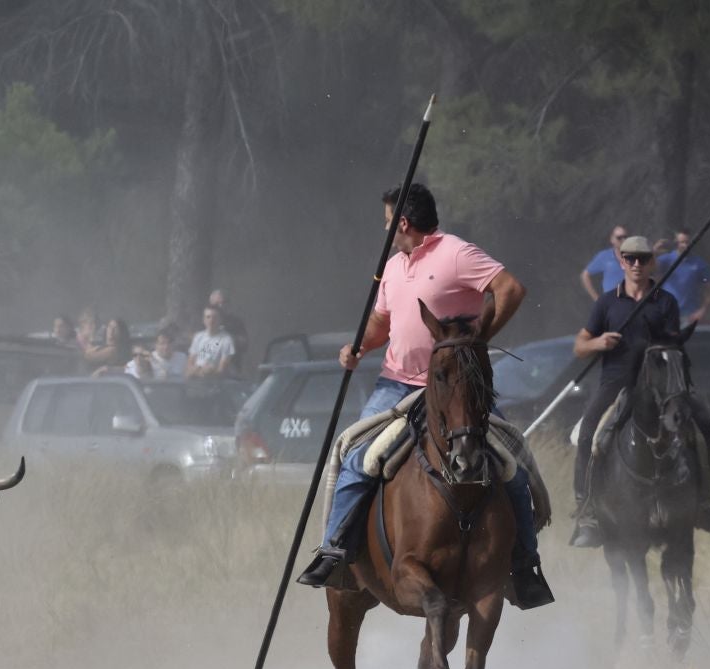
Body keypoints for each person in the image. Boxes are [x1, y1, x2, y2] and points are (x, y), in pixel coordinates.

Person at [298, 181, 551, 609]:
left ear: (404, 222)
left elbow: (510, 289)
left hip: (457, 391)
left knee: (514, 466)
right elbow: (381, 323)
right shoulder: (393, 266)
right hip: (397, 385)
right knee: (355, 459)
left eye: (387, 223)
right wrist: (358, 346)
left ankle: (524, 567)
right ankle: (336, 551)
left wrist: (475, 344)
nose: (385, 231)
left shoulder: (456, 253)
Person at [568, 235, 710, 547]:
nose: (637, 264)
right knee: (588, 432)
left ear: (652, 261)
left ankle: (706, 504)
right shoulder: (607, 302)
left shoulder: (664, 302)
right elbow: (579, 346)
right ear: (621, 261)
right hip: (615, 382)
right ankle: (587, 512)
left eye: (643, 258)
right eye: (630, 258)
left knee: (705, 424)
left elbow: (671, 341)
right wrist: (599, 343)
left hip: (662, 385)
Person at [654, 228, 710, 326]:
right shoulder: (666, 260)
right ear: (676, 242)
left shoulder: (700, 265)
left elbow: (709, 290)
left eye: (687, 242)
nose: (685, 245)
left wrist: (702, 311)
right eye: (682, 242)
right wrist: (654, 251)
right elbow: (648, 270)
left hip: (690, 316)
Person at [187, 306, 238, 379]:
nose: (211, 320)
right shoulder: (198, 337)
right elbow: (190, 363)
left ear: (220, 320)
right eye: (208, 317)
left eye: (215, 317)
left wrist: (209, 372)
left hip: (214, 383)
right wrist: (197, 371)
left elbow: (222, 370)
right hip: (195, 379)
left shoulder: (227, 339)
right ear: (204, 320)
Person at [579, 225, 628, 300]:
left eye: (625, 237)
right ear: (612, 239)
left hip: (632, 302)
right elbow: (585, 275)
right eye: (619, 238)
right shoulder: (604, 256)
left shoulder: (634, 257)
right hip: (612, 303)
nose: (623, 240)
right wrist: (597, 300)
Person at [206, 288, 249, 372]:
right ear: (211, 304)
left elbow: (245, 344)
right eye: (217, 303)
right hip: (208, 370)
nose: (221, 306)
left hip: (231, 370)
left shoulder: (236, 322)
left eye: (224, 303)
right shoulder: (204, 322)